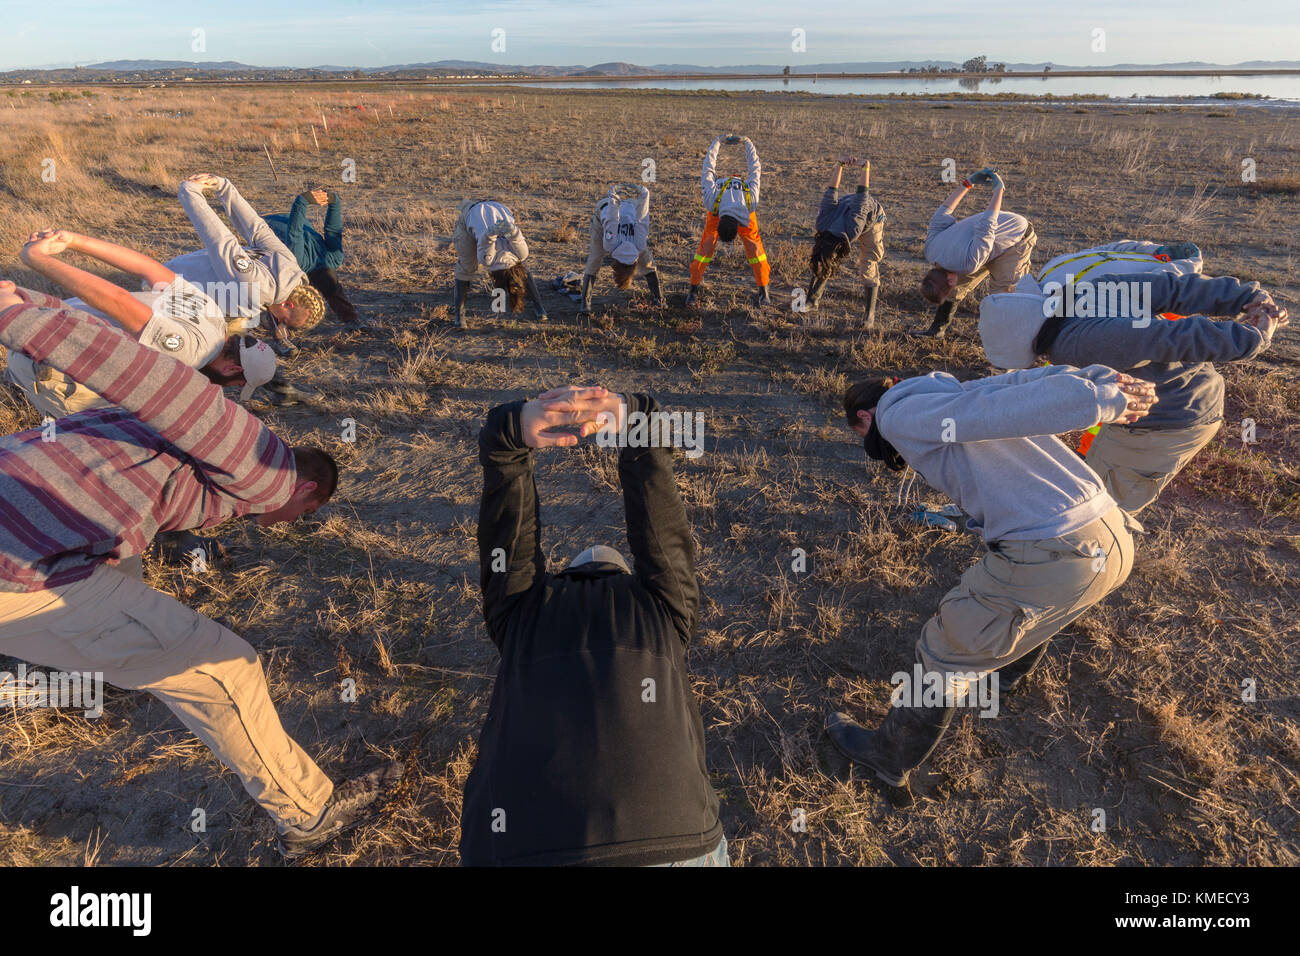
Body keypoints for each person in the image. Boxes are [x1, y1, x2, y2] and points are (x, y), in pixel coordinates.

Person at [0, 281, 400, 859]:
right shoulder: (266, 469)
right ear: (306, 489)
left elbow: (121, 340)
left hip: (22, 535)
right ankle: (309, 816)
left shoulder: (172, 443)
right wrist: (19, 317)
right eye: (303, 514)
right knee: (227, 670)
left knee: (125, 570)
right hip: (18, 559)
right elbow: (158, 380)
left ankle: (101, 681)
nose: (288, 521)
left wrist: (40, 303)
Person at [827, 365, 1157, 790]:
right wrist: (1093, 375)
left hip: (1057, 549)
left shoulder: (896, 415)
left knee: (945, 650)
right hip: (1109, 535)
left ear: (866, 418)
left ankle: (888, 758)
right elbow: (1015, 384)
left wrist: (1098, 401)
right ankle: (1003, 679)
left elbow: (996, 407)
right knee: (1031, 609)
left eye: (860, 436)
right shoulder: (947, 391)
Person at [462, 385, 725, 866]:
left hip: (522, 846)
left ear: (568, 577)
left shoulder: (524, 611)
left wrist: (510, 435)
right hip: (673, 837)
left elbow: (509, 538)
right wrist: (636, 418)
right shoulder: (662, 610)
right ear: (621, 578)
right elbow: (662, 530)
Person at [978, 270, 1286, 524]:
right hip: (1182, 397)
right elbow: (1174, 288)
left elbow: (1165, 337)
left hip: (1163, 424)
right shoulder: (1087, 291)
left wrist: (1249, 338)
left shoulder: (1073, 344)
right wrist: (1247, 298)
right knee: (1087, 485)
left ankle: (1083, 569)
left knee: (1094, 515)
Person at [6, 230, 276, 419]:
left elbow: (147, 267)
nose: (227, 389)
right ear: (232, 368)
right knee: (106, 420)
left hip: (47, 315)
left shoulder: (212, 312)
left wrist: (76, 241)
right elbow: (118, 301)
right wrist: (38, 260)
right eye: (235, 384)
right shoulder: (192, 353)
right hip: (38, 345)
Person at [165, 174, 326, 356]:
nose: (280, 323)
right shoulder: (257, 291)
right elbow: (221, 242)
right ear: (287, 305)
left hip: (184, 282)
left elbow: (258, 229)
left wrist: (224, 187)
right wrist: (190, 192)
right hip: (167, 287)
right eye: (284, 321)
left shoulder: (289, 266)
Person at [917, 167, 1036, 337]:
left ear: (949, 279)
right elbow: (944, 210)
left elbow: (988, 222)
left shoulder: (969, 262)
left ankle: (1010, 345)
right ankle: (937, 331)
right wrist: (967, 183)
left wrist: (999, 189)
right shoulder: (930, 250)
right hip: (983, 242)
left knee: (1004, 296)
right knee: (959, 286)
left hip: (1015, 239)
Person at [265, 187, 376, 330]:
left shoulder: (333, 259)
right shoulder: (297, 261)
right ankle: (273, 318)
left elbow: (333, 231)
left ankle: (350, 319)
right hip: (270, 224)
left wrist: (335, 202)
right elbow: (295, 233)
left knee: (326, 287)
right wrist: (302, 201)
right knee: (281, 288)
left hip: (291, 221)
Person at [687, 134, 770, 309]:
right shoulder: (751, 199)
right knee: (756, 251)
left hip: (732, 213)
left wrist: (716, 142)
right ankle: (764, 293)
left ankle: (693, 291)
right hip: (740, 212)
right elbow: (755, 168)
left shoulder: (713, 199)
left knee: (705, 249)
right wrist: (748, 143)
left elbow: (708, 167)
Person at [805, 156, 886, 327]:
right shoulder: (821, 223)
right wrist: (839, 165)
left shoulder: (853, 228)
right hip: (848, 208)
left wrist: (866, 168)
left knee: (868, 262)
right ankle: (812, 301)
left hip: (872, 217)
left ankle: (869, 316)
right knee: (824, 261)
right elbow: (831, 189)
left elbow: (863, 195)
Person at [451, 199, 548, 328]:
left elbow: (490, 241)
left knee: (520, 271)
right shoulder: (489, 259)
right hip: (472, 214)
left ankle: (534, 307)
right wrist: (508, 231)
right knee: (466, 267)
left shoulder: (492, 258)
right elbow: (514, 238)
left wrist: (500, 232)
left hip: (496, 211)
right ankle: (459, 313)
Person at [578, 183, 665, 318]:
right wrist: (616, 195)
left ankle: (585, 303)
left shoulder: (636, 245)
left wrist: (643, 193)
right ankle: (658, 299)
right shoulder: (612, 244)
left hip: (625, 207)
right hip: (606, 212)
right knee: (596, 257)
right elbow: (614, 218)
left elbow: (641, 219)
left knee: (595, 260)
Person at [1032, 240, 1202, 290]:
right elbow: (1157, 285)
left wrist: (1157, 251)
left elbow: (1105, 249)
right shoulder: (1051, 267)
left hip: (1166, 271)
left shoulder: (1053, 270)